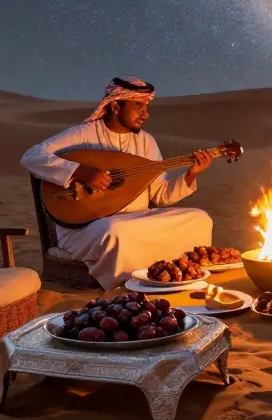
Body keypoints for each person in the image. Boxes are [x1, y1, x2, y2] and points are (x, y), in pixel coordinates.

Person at [21, 76, 215, 289]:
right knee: (115, 232)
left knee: (199, 218)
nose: (146, 114)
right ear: (115, 105)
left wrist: (190, 175)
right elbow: (31, 156)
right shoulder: (84, 134)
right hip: (87, 228)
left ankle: (181, 277)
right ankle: (128, 288)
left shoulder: (146, 141)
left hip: (136, 220)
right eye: (138, 106)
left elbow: (160, 196)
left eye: (147, 107)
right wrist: (81, 171)